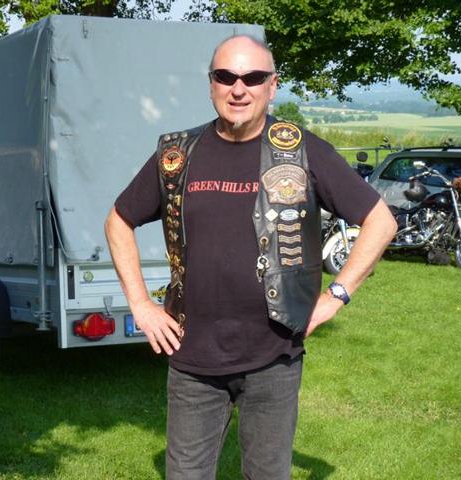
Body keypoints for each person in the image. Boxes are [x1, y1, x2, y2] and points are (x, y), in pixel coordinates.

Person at [105, 35, 397, 479]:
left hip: (273, 356)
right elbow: (118, 220)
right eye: (226, 77)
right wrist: (141, 305)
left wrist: (336, 295)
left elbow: (381, 221)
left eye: (253, 77)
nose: (238, 89)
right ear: (211, 84)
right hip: (191, 358)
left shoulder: (303, 151)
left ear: (272, 86)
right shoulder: (176, 155)